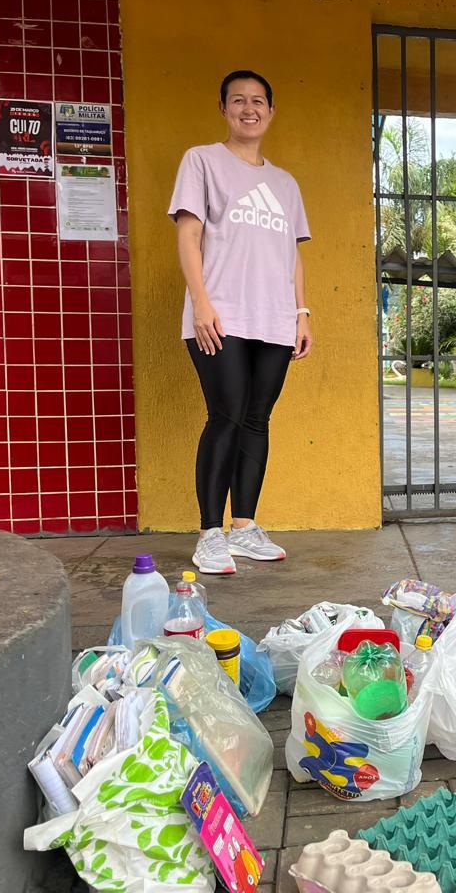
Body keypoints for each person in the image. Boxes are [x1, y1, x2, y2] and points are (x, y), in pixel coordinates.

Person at [169, 69, 314, 574]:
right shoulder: (202, 161)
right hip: (220, 314)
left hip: (274, 319)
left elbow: (292, 255)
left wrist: (301, 312)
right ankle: (211, 534)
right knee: (226, 415)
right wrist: (201, 302)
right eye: (238, 100)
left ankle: (245, 527)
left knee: (257, 419)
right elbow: (188, 237)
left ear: (271, 112)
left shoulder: (285, 183)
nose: (248, 108)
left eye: (258, 101)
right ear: (224, 108)